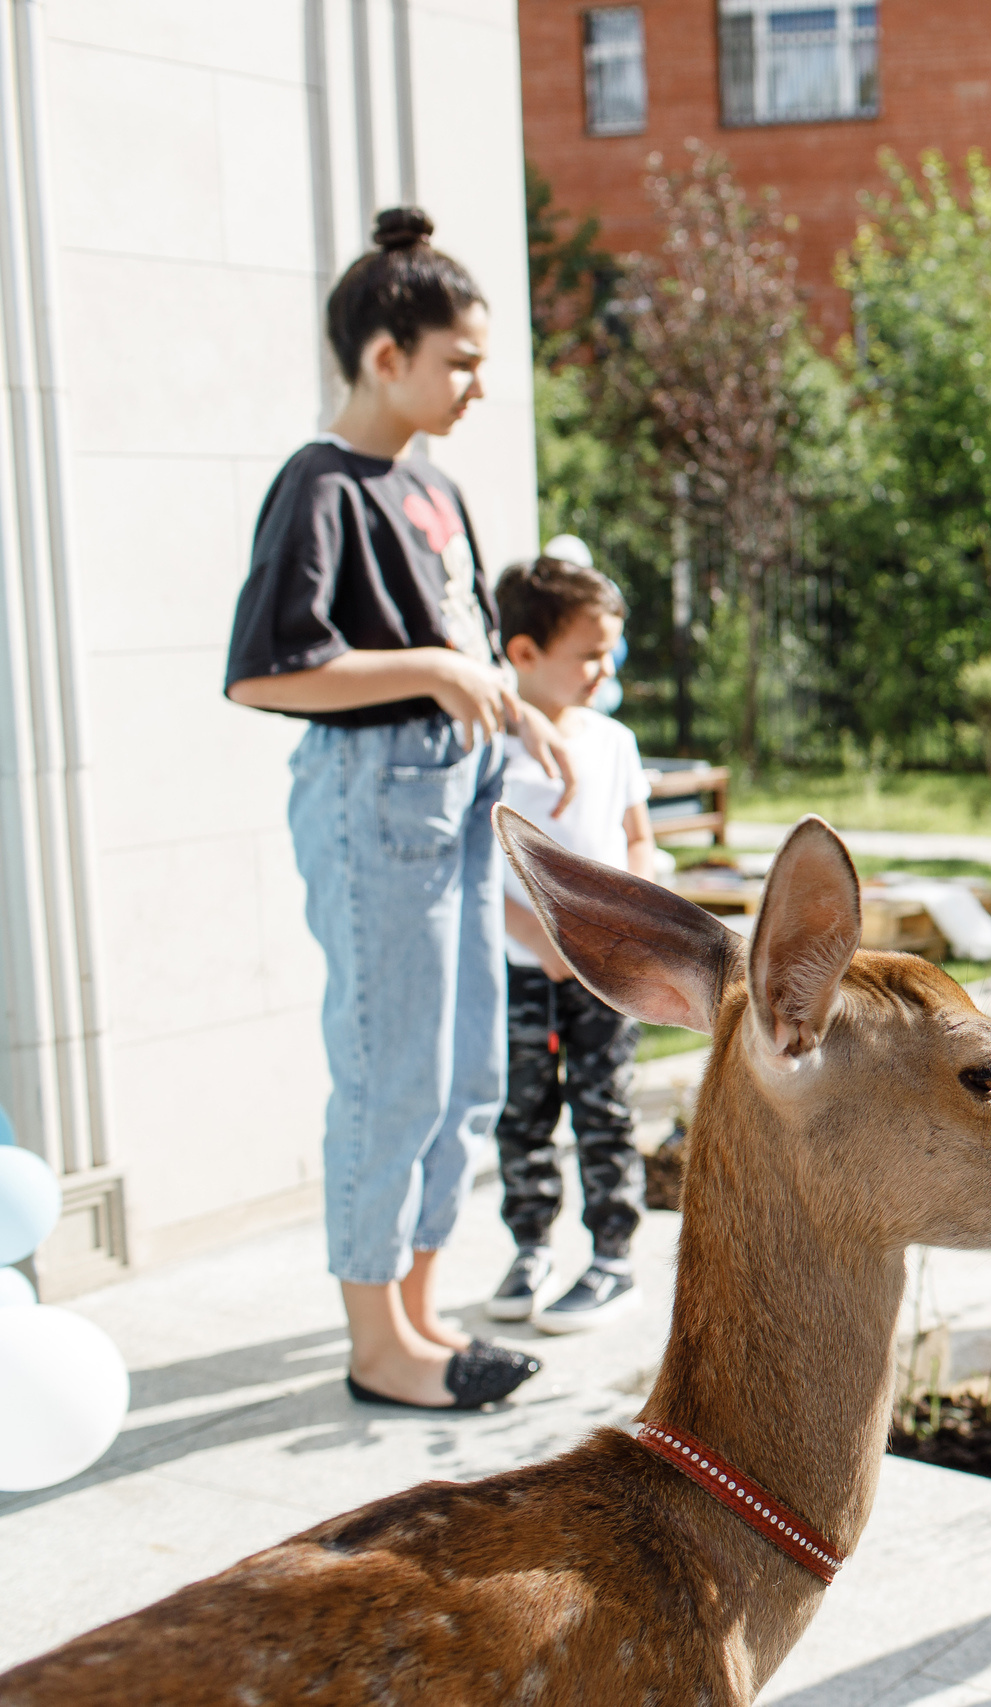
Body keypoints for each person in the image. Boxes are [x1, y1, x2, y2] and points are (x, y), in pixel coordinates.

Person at [225, 207, 575, 1412]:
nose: (478, 384)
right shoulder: (319, 488)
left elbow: (463, 640)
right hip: (377, 805)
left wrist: (517, 713)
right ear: (388, 354)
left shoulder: (429, 484)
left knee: (469, 1069)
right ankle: (377, 1345)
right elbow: (267, 672)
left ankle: (418, 1315)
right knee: (392, 1075)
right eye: (460, 361)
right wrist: (433, 675)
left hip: (456, 794)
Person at [485, 557, 655, 1333]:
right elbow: (481, 869)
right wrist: (539, 938)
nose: (604, 668)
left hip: (605, 976)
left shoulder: (613, 740)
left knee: (604, 1105)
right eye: (589, 653)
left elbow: (635, 838)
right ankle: (530, 1246)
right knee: (524, 1110)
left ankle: (613, 1256)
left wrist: (633, 923)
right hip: (523, 975)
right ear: (523, 653)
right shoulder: (490, 747)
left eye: (609, 650)